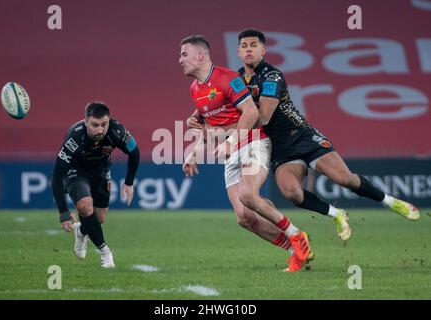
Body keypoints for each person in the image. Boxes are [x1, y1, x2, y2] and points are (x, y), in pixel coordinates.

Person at [231, 28, 420, 240]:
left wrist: (233, 134)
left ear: (263, 50)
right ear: (238, 51)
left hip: (302, 136)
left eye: (253, 45)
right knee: (291, 193)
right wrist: (199, 118)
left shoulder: (272, 76)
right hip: (280, 149)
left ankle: (391, 202)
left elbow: (264, 117)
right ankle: (337, 214)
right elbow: (220, 107)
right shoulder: (235, 81)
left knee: (345, 179)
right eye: (244, 46)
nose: (249, 50)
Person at [179, 35, 311, 272]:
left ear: (200, 55)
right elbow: (208, 128)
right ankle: (295, 251)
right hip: (231, 154)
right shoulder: (194, 89)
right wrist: (194, 154)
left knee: (248, 195)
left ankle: (296, 235)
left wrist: (230, 142)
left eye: (184, 54)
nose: (180, 60)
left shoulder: (228, 77)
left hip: (252, 142)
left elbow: (250, 113)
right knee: (244, 217)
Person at [51, 102, 140, 268]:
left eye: (104, 124)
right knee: (85, 206)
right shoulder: (74, 138)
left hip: (101, 171)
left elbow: (134, 152)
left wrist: (129, 182)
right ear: (86, 123)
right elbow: (57, 176)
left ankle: (81, 231)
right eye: (95, 125)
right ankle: (105, 252)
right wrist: (63, 212)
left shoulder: (117, 130)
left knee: (99, 218)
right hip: (76, 172)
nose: (100, 130)